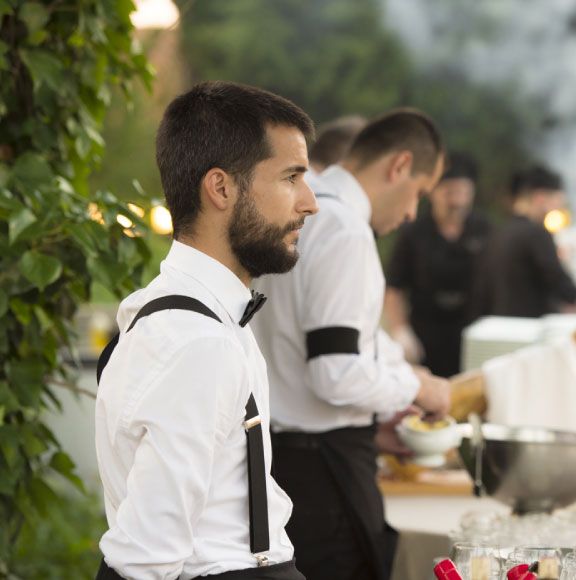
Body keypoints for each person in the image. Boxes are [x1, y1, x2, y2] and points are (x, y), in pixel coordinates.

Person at [94, 81, 317, 580]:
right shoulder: (196, 341)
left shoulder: (201, 317)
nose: (309, 202)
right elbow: (143, 560)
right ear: (220, 188)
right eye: (291, 177)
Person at [251, 109, 451, 580]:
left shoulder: (297, 208)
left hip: (284, 460)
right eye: (419, 194)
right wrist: (417, 388)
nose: (411, 213)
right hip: (324, 476)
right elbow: (334, 372)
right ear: (399, 166)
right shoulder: (343, 229)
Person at [383, 152, 491, 377]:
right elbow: (394, 286)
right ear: (432, 191)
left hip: (472, 330)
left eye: (463, 192)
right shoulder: (413, 232)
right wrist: (400, 330)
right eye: (449, 192)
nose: (456, 201)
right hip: (426, 332)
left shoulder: (484, 229)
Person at [476, 165, 576, 318]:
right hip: (529, 327)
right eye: (558, 202)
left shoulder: (498, 232)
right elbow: (560, 283)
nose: (560, 209)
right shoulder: (536, 233)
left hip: (502, 324)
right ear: (540, 198)